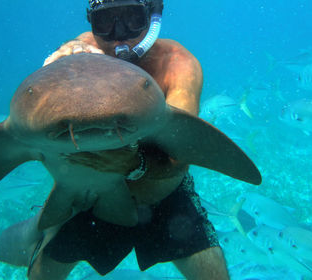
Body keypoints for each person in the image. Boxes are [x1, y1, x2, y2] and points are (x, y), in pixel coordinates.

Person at [28, 0, 230, 279]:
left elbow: (179, 155)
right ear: (91, 23)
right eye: (105, 22)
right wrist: (66, 55)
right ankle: (41, 230)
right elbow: (76, 47)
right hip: (94, 196)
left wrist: (133, 163)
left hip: (164, 195)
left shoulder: (178, 65)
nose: (119, 35)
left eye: (132, 18)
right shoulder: (88, 49)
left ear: (153, 16)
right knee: (41, 275)